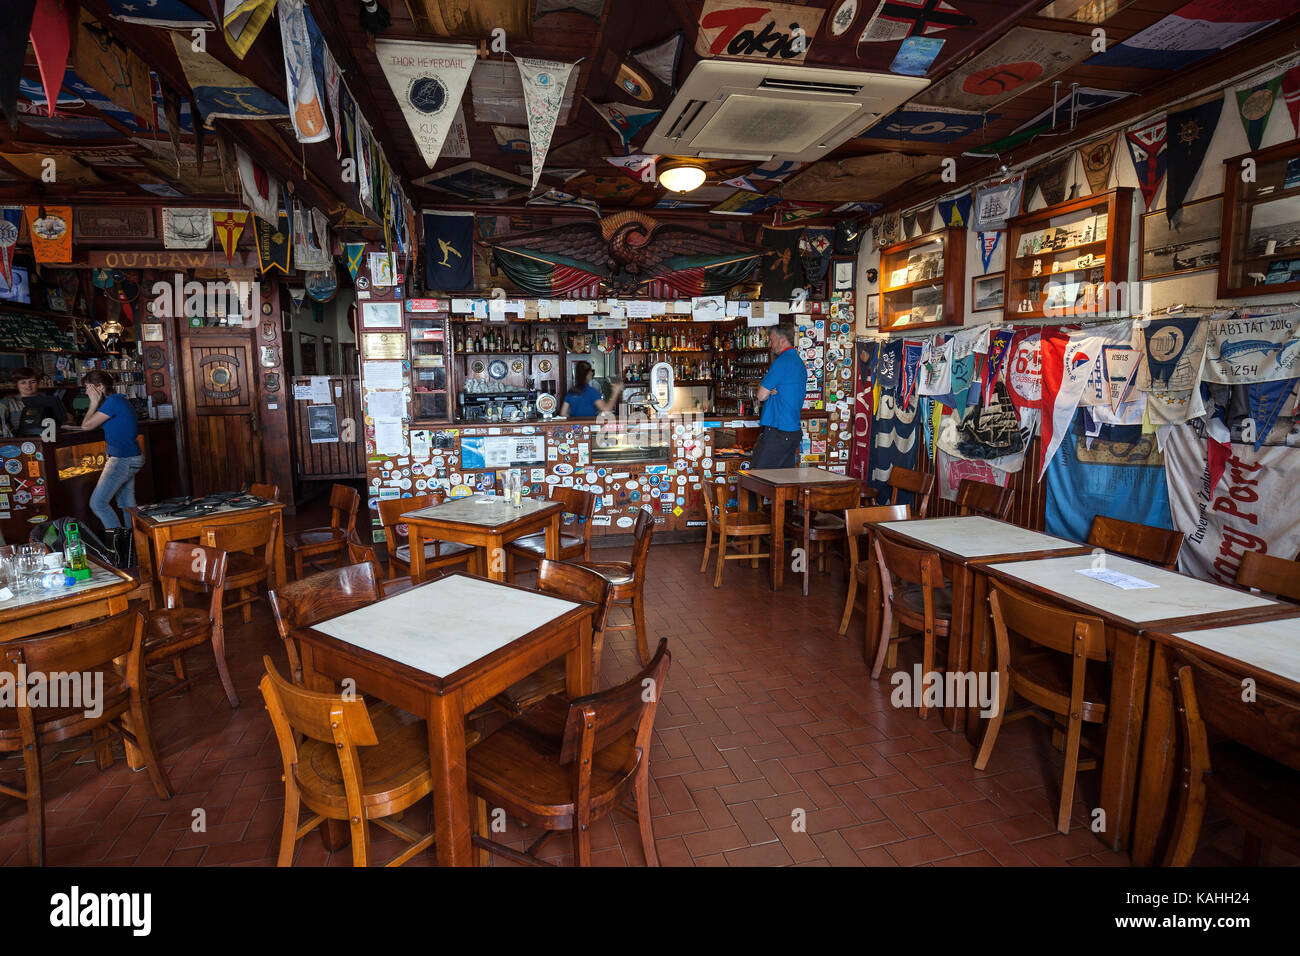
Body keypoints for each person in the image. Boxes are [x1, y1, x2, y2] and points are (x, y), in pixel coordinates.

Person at [80, 369, 142, 565]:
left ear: (99, 387)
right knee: (127, 506)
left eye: (88, 389)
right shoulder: (118, 400)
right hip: (131, 457)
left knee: (98, 503)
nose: (86, 393)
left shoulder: (113, 401)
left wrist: (92, 402)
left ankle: (120, 551)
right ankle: (135, 554)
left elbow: (86, 426)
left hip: (122, 459)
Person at [751, 322, 807, 469]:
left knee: (756, 478)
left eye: (771, 340)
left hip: (778, 430)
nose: (770, 344)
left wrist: (764, 388)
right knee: (782, 481)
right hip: (792, 430)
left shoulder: (781, 362)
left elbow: (761, 395)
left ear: (782, 340)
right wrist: (769, 389)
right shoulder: (799, 362)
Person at [0, 366, 67, 438]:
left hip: (49, 439)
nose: (28, 386)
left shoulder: (49, 400)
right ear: (17, 384)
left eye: (32, 382)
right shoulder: (8, 402)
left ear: (38, 383)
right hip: (18, 442)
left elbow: (68, 420)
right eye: (23, 383)